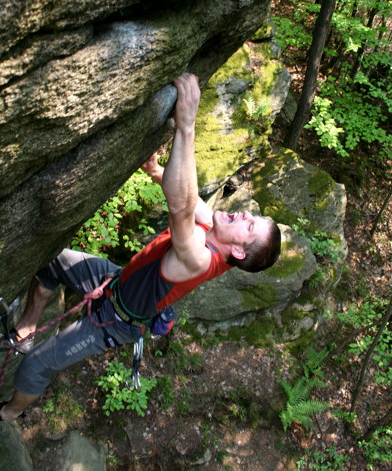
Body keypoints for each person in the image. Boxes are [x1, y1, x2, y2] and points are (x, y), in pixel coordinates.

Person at [0, 72, 281, 421]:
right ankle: (27, 328)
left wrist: (187, 126)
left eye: (249, 225)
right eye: (250, 215)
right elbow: (192, 202)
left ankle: (9, 415)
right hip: (118, 282)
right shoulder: (214, 229)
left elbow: (181, 206)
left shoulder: (199, 257)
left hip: (117, 320)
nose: (242, 213)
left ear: (238, 252)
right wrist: (155, 170)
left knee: (38, 363)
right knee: (51, 261)